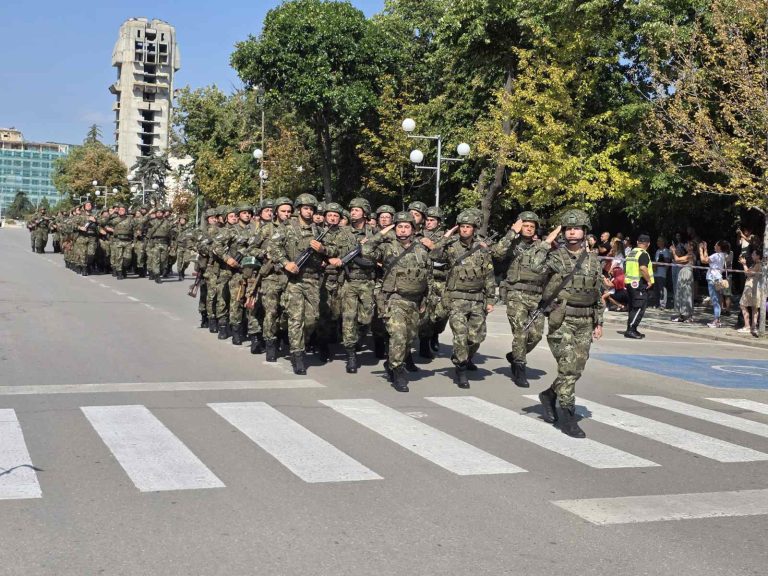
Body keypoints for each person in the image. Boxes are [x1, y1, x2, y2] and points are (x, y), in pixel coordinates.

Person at [532, 208, 604, 438]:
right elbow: (533, 266)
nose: (572, 232)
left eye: (577, 228)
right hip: (561, 319)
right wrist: (547, 241)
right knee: (568, 367)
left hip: (585, 320)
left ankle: (550, 395)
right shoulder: (555, 257)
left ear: (585, 232)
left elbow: (597, 292)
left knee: (576, 370)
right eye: (568, 228)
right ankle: (568, 415)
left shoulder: (593, 261)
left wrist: (598, 321)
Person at [361, 211, 433, 392]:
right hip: (393, 299)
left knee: (409, 338)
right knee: (398, 335)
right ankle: (398, 370)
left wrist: (427, 299)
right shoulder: (387, 247)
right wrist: (383, 232)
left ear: (413, 229)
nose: (402, 230)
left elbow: (428, 275)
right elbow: (366, 250)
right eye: (399, 226)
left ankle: (393, 361)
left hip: (414, 301)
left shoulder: (421, 249)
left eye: (406, 226)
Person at [431, 210, 495, 388]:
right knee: (460, 335)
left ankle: (463, 357)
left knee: (476, 337)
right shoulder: (451, 246)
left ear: (474, 229)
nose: (465, 230)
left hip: (477, 299)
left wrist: (490, 299)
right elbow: (433, 255)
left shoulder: (482, 248)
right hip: (456, 298)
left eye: (468, 227)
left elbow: (489, 274)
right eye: (462, 226)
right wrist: (447, 235)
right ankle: (460, 368)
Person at [269, 193, 329, 375]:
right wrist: (286, 263)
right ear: (298, 209)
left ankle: (285, 327)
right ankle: (297, 355)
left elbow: (332, 249)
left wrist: (323, 249)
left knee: (311, 319)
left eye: (311, 208)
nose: (308, 211)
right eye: (305, 208)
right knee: (297, 318)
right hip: (293, 279)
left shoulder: (318, 230)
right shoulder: (287, 227)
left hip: (312, 279)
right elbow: (273, 248)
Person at [492, 211, 550, 387]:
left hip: (536, 295)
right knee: (520, 332)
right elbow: (497, 253)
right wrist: (511, 232)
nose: (529, 229)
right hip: (516, 294)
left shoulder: (540, 246)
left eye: (532, 226)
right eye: (526, 225)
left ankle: (515, 354)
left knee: (536, 335)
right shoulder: (511, 244)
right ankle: (519, 368)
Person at [624, 234, 654, 339]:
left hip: (629, 283)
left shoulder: (632, 253)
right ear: (648, 244)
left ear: (637, 242)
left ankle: (632, 328)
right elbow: (643, 268)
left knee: (633, 307)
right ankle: (631, 329)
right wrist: (649, 281)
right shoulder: (643, 254)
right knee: (639, 307)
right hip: (639, 283)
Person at [700, 240, 729, 328]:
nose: (714, 246)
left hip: (713, 278)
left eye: (716, 245)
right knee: (718, 299)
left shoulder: (716, 255)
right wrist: (705, 249)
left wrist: (700, 250)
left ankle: (716, 320)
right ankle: (717, 319)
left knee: (715, 299)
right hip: (718, 277)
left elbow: (703, 260)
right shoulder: (722, 255)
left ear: (719, 247)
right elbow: (707, 260)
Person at [737, 248, 762, 336]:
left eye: (754, 254)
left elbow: (748, 274)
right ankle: (753, 327)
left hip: (751, 287)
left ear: (758, 256)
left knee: (743, 304)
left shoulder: (758, 264)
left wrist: (744, 264)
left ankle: (748, 326)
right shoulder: (757, 264)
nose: (752, 256)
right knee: (754, 307)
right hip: (754, 287)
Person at [670, 240, 695, 322]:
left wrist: (674, 252)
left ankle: (688, 315)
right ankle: (681, 313)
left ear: (691, 247)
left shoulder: (691, 255)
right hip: (682, 274)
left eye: (687, 244)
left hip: (686, 274)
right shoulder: (687, 254)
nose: (686, 245)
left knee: (686, 294)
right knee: (680, 293)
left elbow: (677, 260)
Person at [651, 236, 671, 308]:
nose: (658, 242)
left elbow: (667, 261)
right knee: (656, 289)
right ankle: (656, 303)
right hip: (656, 272)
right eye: (657, 241)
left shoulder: (666, 251)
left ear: (663, 242)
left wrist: (658, 264)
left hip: (662, 273)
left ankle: (662, 304)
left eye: (659, 241)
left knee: (662, 289)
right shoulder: (657, 251)